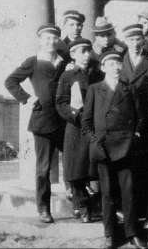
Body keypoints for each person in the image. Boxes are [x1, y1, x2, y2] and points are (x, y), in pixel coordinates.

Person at [82, 49, 148, 249]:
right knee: (108, 192)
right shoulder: (94, 89)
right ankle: (110, 234)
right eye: (111, 64)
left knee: (128, 191)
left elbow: (140, 118)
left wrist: (135, 136)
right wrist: (94, 141)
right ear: (103, 68)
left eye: (118, 63)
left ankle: (131, 233)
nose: (116, 67)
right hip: (103, 148)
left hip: (125, 147)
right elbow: (86, 122)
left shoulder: (129, 89)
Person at [4, 24, 68, 224]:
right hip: (43, 121)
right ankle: (43, 208)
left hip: (65, 121)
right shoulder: (33, 61)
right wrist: (27, 98)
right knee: (43, 168)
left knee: (75, 163)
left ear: (58, 40)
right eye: (46, 38)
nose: (50, 41)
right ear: (40, 40)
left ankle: (82, 206)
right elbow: (10, 81)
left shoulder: (65, 62)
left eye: (54, 38)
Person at [56, 38, 104, 223]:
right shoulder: (67, 76)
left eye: (87, 51)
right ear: (73, 55)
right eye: (81, 51)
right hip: (75, 127)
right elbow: (60, 103)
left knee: (94, 167)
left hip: (94, 127)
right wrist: (75, 115)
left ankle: (97, 205)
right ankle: (82, 205)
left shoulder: (98, 75)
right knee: (76, 169)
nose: (85, 55)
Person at [120, 23, 148, 234]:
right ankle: (132, 215)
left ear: (143, 41)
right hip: (125, 124)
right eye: (131, 40)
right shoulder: (118, 63)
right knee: (129, 172)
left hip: (146, 124)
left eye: (138, 39)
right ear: (125, 41)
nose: (135, 43)